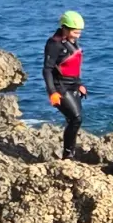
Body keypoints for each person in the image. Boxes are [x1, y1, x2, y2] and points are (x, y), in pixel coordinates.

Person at [43, 10, 90, 159]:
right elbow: (47, 70)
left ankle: (70, 152)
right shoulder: (54, 44)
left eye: (79, 32)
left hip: (72, 85)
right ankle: (68, 155)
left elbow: (73, 65)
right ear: (64, 28)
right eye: (75, 32)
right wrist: (52, 92)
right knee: (76, 118)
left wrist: (79, 84)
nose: (78, 35)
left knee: (74, 120)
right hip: (59, 87)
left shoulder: (72, 41)